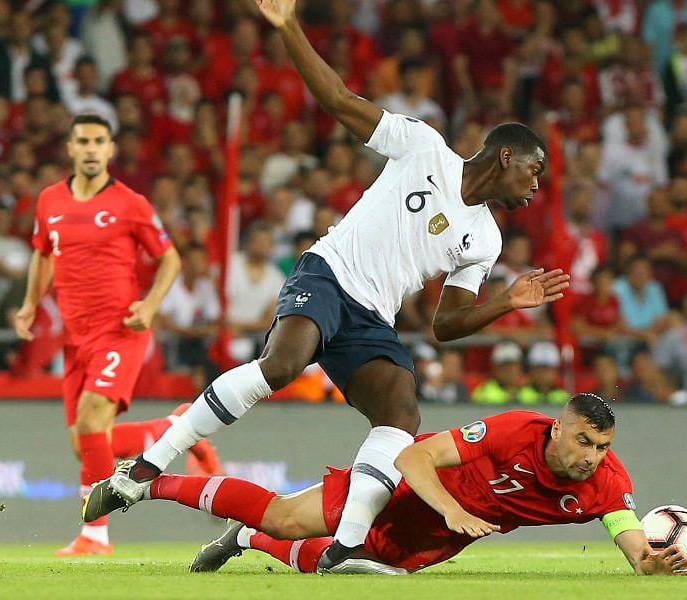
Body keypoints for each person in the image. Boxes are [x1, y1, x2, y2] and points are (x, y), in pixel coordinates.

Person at [87, 0, 569, 572]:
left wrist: (504, 303)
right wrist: (289, 26)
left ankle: (346, 545)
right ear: (506, 155)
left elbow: (444, 325)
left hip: (372, 317)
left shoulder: (485, 239)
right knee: (282, 366)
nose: (535, 187)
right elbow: (340, 101)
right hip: (329, 273)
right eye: (534, 171)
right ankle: (148, 464)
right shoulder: (422, 148)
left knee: (401, 409)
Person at [84, 395, 687, 576]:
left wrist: (651, 563)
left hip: (444, 535)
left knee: (349, 570)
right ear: (559, 429)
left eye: (602, 448)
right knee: (288, 519)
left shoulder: (607, 486)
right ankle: (151, 484)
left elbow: (633, 542)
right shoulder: (513, 431)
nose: (592, 458)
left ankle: (244, 543)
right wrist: (453, 508)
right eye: (584, 442)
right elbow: (415, 456)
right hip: (415, 494)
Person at [13, 113, 192, 557]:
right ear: (70, 148)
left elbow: (170, 259)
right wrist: (30, 303)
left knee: (93, 423)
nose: (91, 148)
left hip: (119, 331)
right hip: (75, 339)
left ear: (111, 149)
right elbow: (42, 255)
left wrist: (148, 307)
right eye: (83, 141)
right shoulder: (49, 201)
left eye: (99, 141)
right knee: (85, 444)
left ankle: (95, 536)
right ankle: (176, 428)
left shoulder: (131, 203)